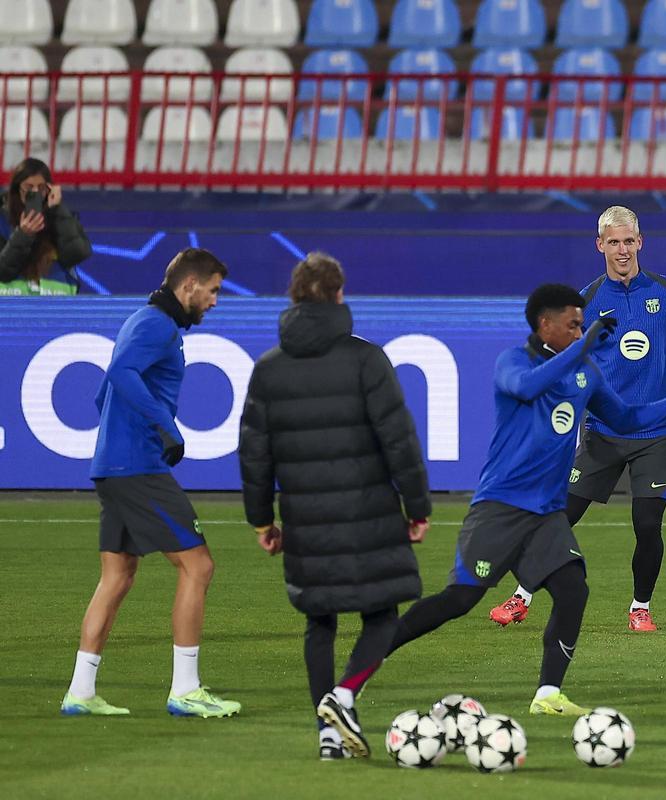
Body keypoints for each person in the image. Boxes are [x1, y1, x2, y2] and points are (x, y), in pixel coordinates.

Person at [312, 283, 666, 758]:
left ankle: (548, 693)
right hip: (501, 509)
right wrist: (587, 343)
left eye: (582, 322)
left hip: (546, 515)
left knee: (573, 590)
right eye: (572, 323)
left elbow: (630, 417)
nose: (580, 328)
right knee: (459, 600)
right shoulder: (514, 362)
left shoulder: (585, 372)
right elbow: (529, 388)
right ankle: (345, 691)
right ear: (544, 325)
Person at [490, 205, 666, 632]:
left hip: (655, 433)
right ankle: (522, 596)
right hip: (602, 431)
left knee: (647, 524)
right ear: (600, 244)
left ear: (641, 242)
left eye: (629, 241)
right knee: (560, 517)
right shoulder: (586, 300)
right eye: (613, 242)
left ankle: (640, 607)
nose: (622, 250)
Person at [238, 253, 432, 760]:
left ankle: (328, 735)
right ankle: (344, 696)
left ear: (295, 297)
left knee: (319, 620)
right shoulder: (366, 359)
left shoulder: (269, 370)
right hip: (368, 510)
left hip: (304, 516)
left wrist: (262, 518)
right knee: (383, 613)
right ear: (340, 294)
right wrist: (417, 505)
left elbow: (255, 454)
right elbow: (399, 440)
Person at [61, 248, 240, 718]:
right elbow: (119, 375)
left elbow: (104, 393)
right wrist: (165, 425)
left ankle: (80, 691)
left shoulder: (145, 320)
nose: (216, 301)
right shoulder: (157, 325)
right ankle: (186, 689)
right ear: (189, 287)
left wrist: (122, 436)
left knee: (117, 576)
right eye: (214, 290)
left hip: (114, 465)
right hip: (138, 468)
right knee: (198, 567)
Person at [0, 158, 92, 296]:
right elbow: (3, 272)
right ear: (17, 188)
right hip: (12, 302)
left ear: (49, 188)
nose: (35, 192)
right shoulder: (2, 219)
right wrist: (23, 235)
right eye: (29, 187)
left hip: (55, 299)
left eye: (41, 188)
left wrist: (58, 210)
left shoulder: (59, 215)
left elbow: (77, 254)